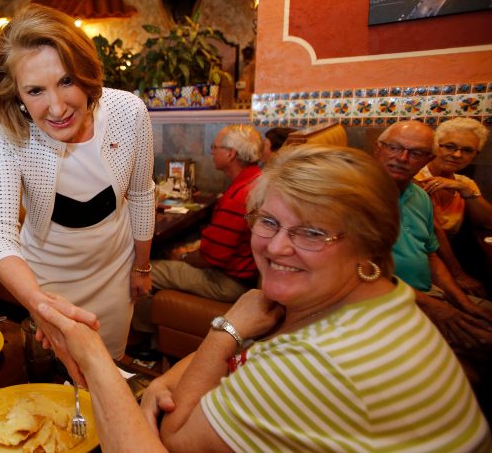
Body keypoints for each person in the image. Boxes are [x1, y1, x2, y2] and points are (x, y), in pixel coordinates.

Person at [38, 144, 492, 452]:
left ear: (370, 246)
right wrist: (162, 382)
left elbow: (174, 440)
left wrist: (89, 351)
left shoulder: (322, 362)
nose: (275, 248)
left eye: (312, 232)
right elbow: (247, 358)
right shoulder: (372, 298)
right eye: (268, 222)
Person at [0, 4, 154, 372]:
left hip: (113, 266)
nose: (57, 107)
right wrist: (38, 304)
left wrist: (141, 267)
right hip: (46, 279)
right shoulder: (6, 128)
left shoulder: (128, 112)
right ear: (16, 94)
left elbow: (140, 193)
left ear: (86, 72)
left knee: (111, 369)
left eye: (66, 81)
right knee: (58, 374)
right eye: (35, 91)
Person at [372, 120, 492, 353]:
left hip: (429, 293)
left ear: (428, 159)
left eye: (416, 153)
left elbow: (431, 255)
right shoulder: (353, 193)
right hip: (384, 302)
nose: (403, 158)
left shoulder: (420, 196)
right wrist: (435, 306)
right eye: (394, 147)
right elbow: (359, 270)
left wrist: (463, 303)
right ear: (378, 147)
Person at [149, 124, 261, 302]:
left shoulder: (238, 198)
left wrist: (182, 256)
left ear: (231, 153)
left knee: (142, 270)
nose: (212, 153)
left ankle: (142, 327)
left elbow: (209, 259)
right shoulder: (256, 179)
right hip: (242, 272)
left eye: (214, 148)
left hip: (230, 281)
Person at [416, 117, 492, 296]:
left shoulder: (464, 182)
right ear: (435, 146)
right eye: (450, 146)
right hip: (425, 258)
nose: (457, 155)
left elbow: (487, 222)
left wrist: (464, 190)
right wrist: (458, 275)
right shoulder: (417, 178)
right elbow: (433, 232)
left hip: (454, 255)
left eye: (467, 150)